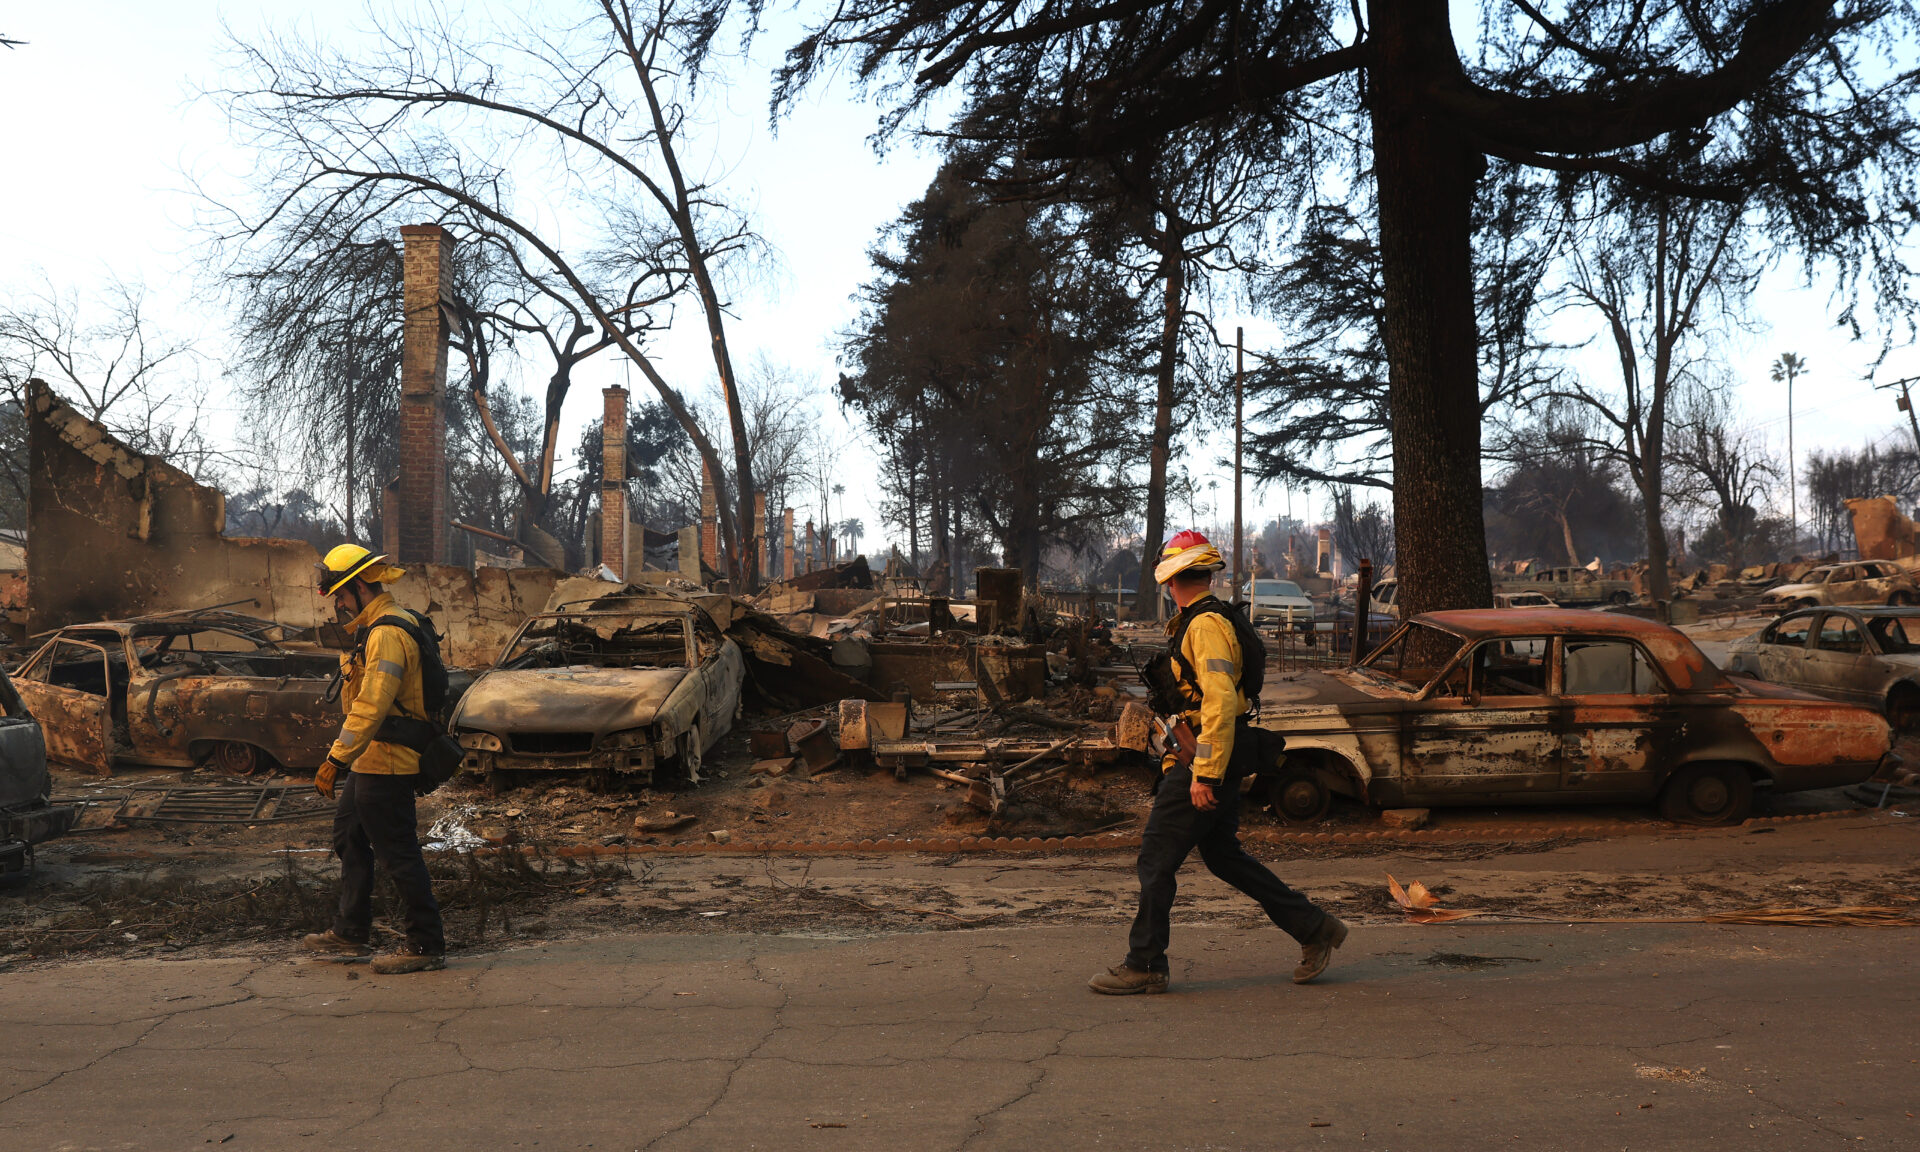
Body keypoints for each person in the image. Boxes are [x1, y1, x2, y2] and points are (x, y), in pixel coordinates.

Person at [1089, 530, 1347, 995]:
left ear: (1172, 580)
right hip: (1213, 753)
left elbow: (1220, 702)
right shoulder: (1205, 618)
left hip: (1205, 759)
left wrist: (1203, 775)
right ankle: (1315, 929)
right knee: (1224, 857)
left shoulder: (1205, 625)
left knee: (1155, 860)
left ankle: (1145, 963)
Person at [300, 544, 447, 975]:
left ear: (360, 587)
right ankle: (350, 932)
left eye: (341, 595)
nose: (338, 605)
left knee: (398, 854)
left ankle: (426, 945)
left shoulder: (387, 633)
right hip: (371, 758)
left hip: (388, 761)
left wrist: (335, 758)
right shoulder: (379, 626)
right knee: (349, 836)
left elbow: (371, 705)